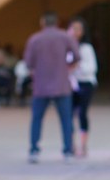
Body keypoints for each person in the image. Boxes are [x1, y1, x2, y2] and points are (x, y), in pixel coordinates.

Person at [24, 11, 80, 163]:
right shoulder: (65, 37)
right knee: (66, 120)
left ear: (42, 22)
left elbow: (28, 62)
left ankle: (34, 150)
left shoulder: (35, 39)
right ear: (57, 22)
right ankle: (68, 151)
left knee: (37, 119)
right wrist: (67, 66)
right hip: (61, 84)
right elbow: (77, 55)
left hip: (41, 85)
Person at [67, 17, 98, 157]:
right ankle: (70, 144)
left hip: (85, 83)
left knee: (82, 114)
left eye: (78, 29)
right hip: (70, 83)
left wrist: (76, 66)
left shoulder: (86, 48)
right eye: (73, 28)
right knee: (68, 114)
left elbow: (91, 68)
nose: (75, 32)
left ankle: (83, 145)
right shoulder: (66, 47)